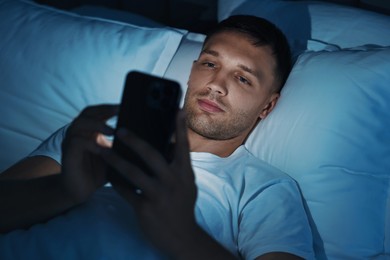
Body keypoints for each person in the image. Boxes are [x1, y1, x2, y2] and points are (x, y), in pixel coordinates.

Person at [0, 15, 314, 259]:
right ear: (192, 72)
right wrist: (64, 189)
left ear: (267, 105)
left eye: (242, 78)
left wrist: (184, 236)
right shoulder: (98, 133)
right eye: (209, 63)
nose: (217, 84)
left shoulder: (264, 188)